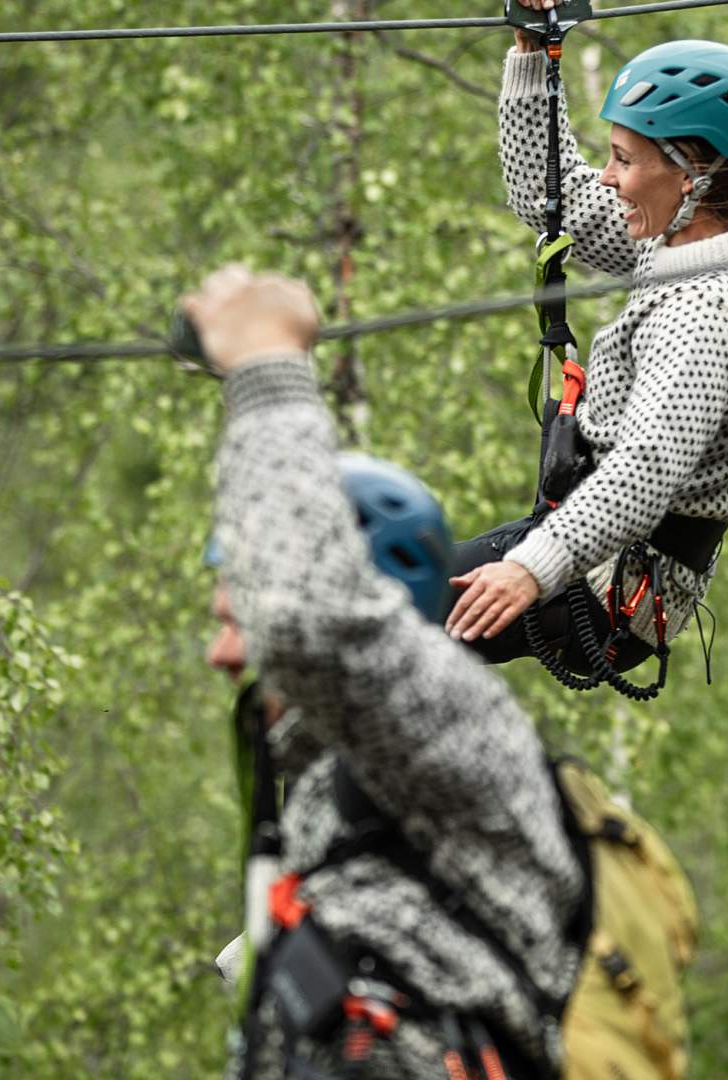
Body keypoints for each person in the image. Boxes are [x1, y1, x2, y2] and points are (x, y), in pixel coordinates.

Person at [186, 266, 585, 1079]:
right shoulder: (334, 786)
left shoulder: (451, 722)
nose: (221, 655)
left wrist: (267, 364)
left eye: (235, 624)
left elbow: (310, 619)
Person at [444, 8, 728, 680]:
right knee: (379, 601)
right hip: (590, 550)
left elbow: (644, 470)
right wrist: (532, 49)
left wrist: (529, 571)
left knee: (381, 612)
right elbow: (551, 196)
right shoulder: (680, 238)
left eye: (622, 159)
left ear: (690, 173)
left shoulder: (707, 317)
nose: (607, 176)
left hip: (608, 585)